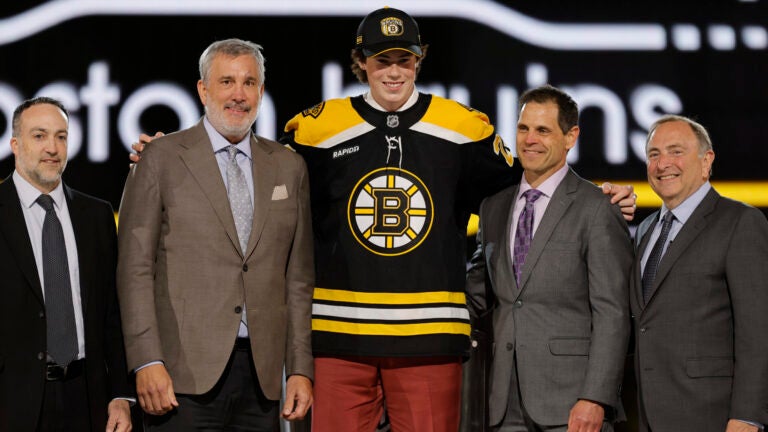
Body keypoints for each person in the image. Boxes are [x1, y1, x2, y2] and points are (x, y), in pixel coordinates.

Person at [129, 9, 636, 432]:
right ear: (361, 63)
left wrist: (592, 195)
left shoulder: (464, 127)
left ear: (418, 61)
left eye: (404, 59)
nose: (393, 71)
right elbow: (246, 173)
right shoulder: (315, 129)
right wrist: (171, 152)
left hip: (430, 338)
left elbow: (531, 179)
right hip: (336, 339)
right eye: (381, 59)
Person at [116, 38, 314, 430]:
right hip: (179, 377)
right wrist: (146, 360)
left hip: (262, 379)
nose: (238, 95)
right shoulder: (161, 158)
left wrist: (300, 368)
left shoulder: (290, 168)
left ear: (261, 91)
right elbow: (135, 268)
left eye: (249, 83)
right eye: (226, 82)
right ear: (203, 90)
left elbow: (298, 280)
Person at [466, 85, 632, 432]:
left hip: (571, 405)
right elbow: (477, 294)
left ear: (571, 137)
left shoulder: (597, 208)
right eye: (523, 128)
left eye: (543, 130)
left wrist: (596, 397)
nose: (530, 139)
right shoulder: (493, 207)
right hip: (502, 401)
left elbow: (612, 313)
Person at [0, 97, 132, 431]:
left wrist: (121, 394)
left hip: (87, 400)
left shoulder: (98, 216)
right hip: (12, 402)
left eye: (61, 136)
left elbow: (113, 315)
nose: (52, 148)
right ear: (15, 144)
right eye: (40, 136)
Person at [631, 115, 768, 432]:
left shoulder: (740, 223)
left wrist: (748, 416)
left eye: (676, 151)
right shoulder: (646, 230)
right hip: (650, 414)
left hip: (714, 416)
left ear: (706, 162)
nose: (663, 163)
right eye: (654, 154)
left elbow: (759, 331)